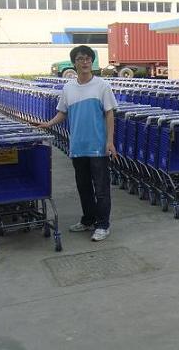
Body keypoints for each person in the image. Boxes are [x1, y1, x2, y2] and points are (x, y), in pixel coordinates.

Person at [39, 45, 118, 242]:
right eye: (81, 59)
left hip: (98, 147)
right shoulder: (68, 88)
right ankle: (88, 220)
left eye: (88, 59)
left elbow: (110, 113)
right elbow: (62, 112)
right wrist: (48, 123)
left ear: (92, 62)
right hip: (77, 147)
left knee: (101, 189)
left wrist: (110, 142)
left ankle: (103, 225)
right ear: (74, 62)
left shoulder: (102, 86)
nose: (85, 62)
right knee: (83, 187)